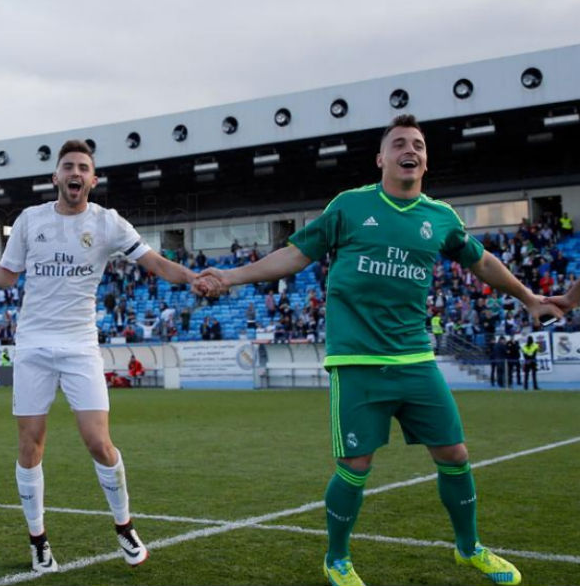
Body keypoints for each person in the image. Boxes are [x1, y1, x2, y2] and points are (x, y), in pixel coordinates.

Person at [196, 115, 560, 586]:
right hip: (358, 362)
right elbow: (295, 254)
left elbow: (483, 262)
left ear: (425, 161)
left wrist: (529, 298)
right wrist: (229, 276)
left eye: (419, 145)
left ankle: (469, 549)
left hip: (415, 359)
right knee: (355, 465)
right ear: (381, 158)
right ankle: (338, 559)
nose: (411, 150)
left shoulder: (441, 218)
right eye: (400, 144)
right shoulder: (350, 206)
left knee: (455, 453)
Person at [0, 139, 201, 573]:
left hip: (80, 346)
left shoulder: (109, 223)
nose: (75, 173)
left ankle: (125, 525)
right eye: (68, 166)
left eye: (83, 168)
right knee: (29, 445)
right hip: (34, 345)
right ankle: (38, 540)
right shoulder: (30, 220)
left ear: (93, 180)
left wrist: (193, 278)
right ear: (56, 176)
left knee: (99, 442)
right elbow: (6, 276)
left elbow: (154, 262)